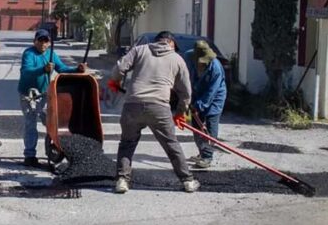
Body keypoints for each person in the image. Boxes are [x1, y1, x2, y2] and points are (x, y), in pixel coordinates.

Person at [108, 31, 200, 193]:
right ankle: (187, 181)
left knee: (127, 143)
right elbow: (186, 92)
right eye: (174, 46)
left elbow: (120, 68)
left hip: (133, 105)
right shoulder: (177, 59)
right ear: (170, 42)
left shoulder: (139, 50)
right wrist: (180, 113)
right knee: (171, 144)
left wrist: (115, 81)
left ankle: (122, 180)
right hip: (159, 107)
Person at [18, 29, 86, 167]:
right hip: (28, 94)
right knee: (31, 123)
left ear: (49, 43)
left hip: (44, 94)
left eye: (46, 41)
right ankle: (29, 156)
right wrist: (43, 69)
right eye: (40, 40)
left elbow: (62, 69)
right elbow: (26, 71)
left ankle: (54, 149)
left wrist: (77, 70)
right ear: (34, 41)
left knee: (51, 122)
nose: (43, 43)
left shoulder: (51, 54)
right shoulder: (29, 53)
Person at [185, 40, 226, 170]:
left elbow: (211, 92)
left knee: (210, 125)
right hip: (197, 92)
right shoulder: (189, 57)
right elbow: (185, 77)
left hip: (215, 97)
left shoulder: (216, 68)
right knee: (196, 125)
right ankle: (202, 152)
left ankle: (207, 156)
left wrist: (199, 106)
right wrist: (188, 99)